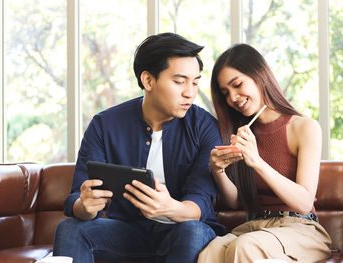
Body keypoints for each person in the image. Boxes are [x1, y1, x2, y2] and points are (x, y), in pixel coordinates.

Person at [53, 32, 227, 263]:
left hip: (183, 231)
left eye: (195, 82)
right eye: (179, 81)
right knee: (70, 228)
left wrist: (169, 207)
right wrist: (85, 205)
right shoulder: (105, 125)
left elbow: (200, 202)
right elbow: (75, 197)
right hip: (128, 232)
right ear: (148, 80)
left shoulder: (204, 126)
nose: (190, 92)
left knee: (192, 230)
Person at [197, 43, 332, 263]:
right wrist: (218, 170)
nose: (233, 98)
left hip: (300, 228)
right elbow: (235, 202)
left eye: (237, 84)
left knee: (245, 247)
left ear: (259, 75)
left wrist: (257, 161)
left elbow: (304, 202)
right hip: (255, 227)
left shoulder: (304, 128)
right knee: (209, 253)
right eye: (226, 93)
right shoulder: (241, 134)